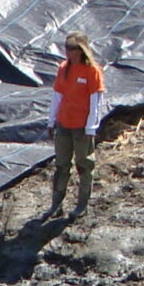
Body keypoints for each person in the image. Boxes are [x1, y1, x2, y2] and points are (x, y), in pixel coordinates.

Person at [47, 33, 107, 217]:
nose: (68, 52)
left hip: (82, 128)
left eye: (72, 48)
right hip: (64, 125)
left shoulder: (92, 71)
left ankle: (82, 204)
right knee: (61, 165)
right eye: (67, 48)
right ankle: (56, 203)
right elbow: (58, 97)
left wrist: (90, 128)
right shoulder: (64, 68)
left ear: (81, 50)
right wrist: (51, 121)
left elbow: (95, 102)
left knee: (84, 165)